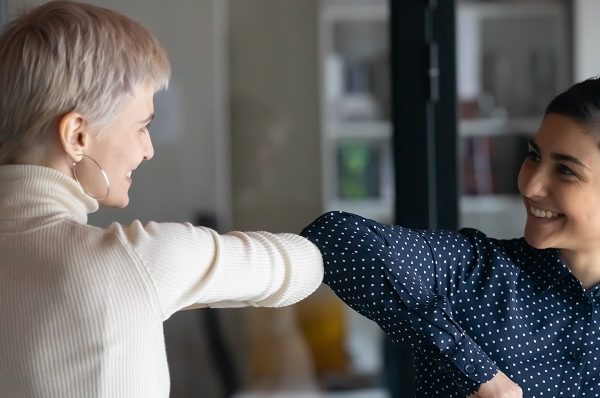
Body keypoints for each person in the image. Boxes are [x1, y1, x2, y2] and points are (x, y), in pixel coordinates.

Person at [0, 1, 323, 397]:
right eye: (141, 127)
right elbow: (304, 267)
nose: (149, 149)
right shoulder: (132, 263)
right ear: (77, 136)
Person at [301, 77, 600, 398]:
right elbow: (337, 238)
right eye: (534, 156)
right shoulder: (473, 270)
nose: (530, 186)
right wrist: (476, 371)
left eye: (565, 170)